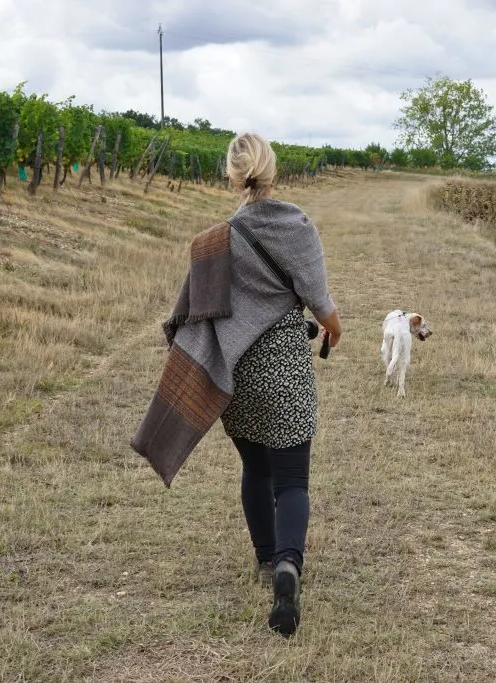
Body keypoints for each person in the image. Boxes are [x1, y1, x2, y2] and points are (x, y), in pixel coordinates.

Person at [130, 132, 341, 638]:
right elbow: (321, 303)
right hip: (287, 369)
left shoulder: (214, 241)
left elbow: (194, 313)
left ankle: (267, 560)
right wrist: (335, 330)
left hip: (236, 373)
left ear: (231, 173)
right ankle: (289, 568)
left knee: (255, 469)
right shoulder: (298, 226)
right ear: (274, 170)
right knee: (293, 480)